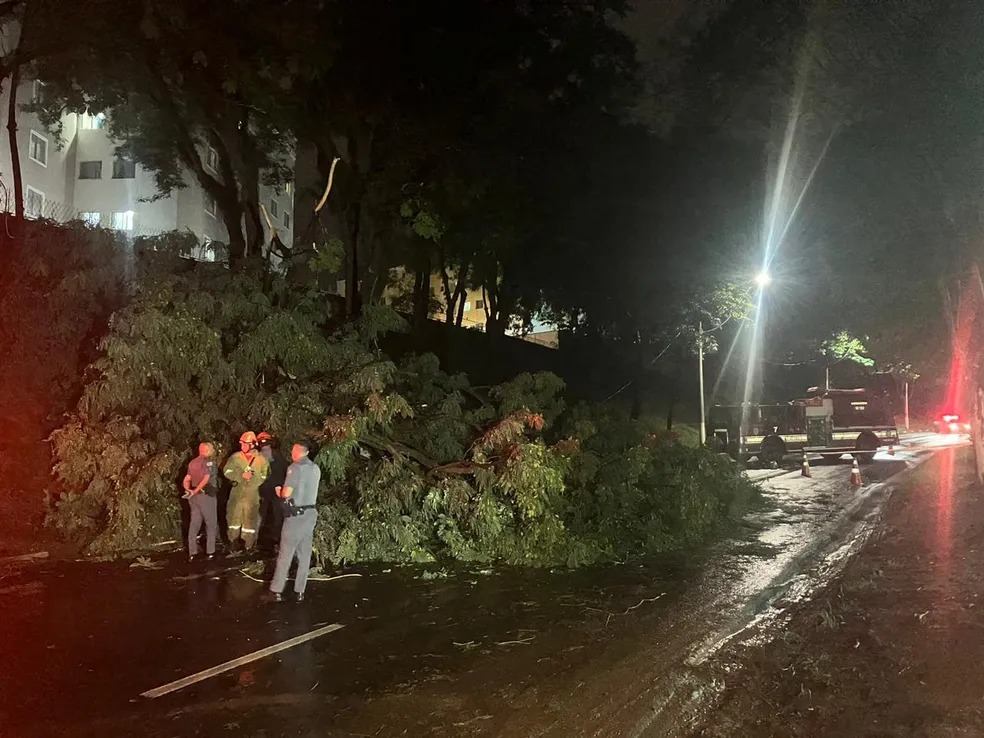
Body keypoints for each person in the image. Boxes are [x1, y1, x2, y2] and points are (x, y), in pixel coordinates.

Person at [264, 440, 321, 603]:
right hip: (310, 513)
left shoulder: (294, 468)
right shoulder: (315, 468)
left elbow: (287, 493)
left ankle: (276, 590)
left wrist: (279, 491)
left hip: (296, 515)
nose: (292, 453)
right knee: (304, 553)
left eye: (293, 451)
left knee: (286, 553)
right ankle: (300, 591)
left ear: (298, 452)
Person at [222, 431, 270, 553]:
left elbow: (265, 476)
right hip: (237, 493)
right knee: (233, 518)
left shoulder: (261, 460)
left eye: (245, 444)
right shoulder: (235, 457)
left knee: (250, 520)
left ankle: (248, 545)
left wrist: (254, 480)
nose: (242, 446)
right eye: (242, 443)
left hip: (252, 495)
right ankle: (232, 542)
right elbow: (227, 471)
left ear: (252, 444)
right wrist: (240, 476)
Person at [183, 441, 219, 561]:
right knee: (211, 524)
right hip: (206, 497)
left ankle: (192, 552)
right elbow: (206, 478)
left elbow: (187, 478)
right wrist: (196, 490)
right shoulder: (208, 462)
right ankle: (210, 552)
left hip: (194, 498)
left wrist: (188, 489)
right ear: (209, 450)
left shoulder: (193, 462)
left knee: (194, 524)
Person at [256, 432, 287, 554]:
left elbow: (285, 472)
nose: (265, 451)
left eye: (267, 447)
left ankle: (277, 541)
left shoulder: (279, 459)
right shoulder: (257, 460)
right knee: (258, 516)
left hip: (277, 493)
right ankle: (253, 541)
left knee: (278, 517)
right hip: (262, 493)